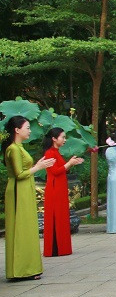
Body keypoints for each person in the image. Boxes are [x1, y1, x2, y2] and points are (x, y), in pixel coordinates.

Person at [4, 116, 55, 279]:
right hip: (19, 189)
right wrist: (38, 167)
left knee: (27, 228)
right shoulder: (13, 148)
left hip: (25, 188)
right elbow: (19, 174)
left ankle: (27, 267)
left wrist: (37, 165)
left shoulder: (20, 147)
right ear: (17, 130)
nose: (29, 130)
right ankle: (21, 270)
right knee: (21, 228)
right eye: (27, 127)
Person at [41, 127, 84, 257]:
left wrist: (72, 163)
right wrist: (69, 163)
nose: (64, 140)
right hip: (54, 188)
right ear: (54, 138)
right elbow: (55, 171)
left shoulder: (56, 152)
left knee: (61, 215)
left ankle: (62, 247)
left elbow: (61, 169)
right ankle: (55, 248)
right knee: (56, 216)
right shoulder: (49, 153)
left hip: (59, 187)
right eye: (62, 137)